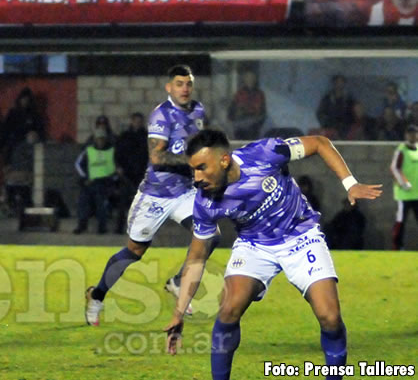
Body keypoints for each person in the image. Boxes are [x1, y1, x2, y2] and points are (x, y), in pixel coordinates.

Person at [163, 130, 382, 380]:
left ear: (224, 160)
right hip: (254, 245)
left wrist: (350, 184)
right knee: (228, 310)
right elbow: (196, 257)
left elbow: (320, 143)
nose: (197, 178)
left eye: (201, 168)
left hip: (301, 236)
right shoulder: (205, 202)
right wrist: (178, 314)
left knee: (330, 318)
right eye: (193, 170)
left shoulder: (264, 154)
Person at [85, 65, 214, 326]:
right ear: (169, 87)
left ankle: (178, 282)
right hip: (155, 194)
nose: (185, 88)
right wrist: (192, 160)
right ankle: (97, 295)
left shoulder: (198, 111)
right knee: (134, 251)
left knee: (208, 234)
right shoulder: (161, 115)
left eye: (188, 83)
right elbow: (157, 157)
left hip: (185, 192)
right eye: (179, 83)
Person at [74, 127, 116, 234]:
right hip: (90, 182)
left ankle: (102, 227)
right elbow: (78, 164)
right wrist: (85, 178)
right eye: (98, 139)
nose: (100, 141)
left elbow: (117, 167)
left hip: (105, 182)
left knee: (101, 202)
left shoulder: (112, 151)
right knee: (83, 201)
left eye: (102, 139)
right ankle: (82, 225)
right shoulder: (89, 151)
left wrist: (113, 179)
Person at [114, 112, 148, 234]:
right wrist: (118, 167)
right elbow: (117, 153)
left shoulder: (146, 137)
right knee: (122, 203)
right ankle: (119, 227)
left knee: (141, 205)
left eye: (139, 121)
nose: (137, 123)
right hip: (126, 175)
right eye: (135, 121)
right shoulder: (125, 136)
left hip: (141, 175)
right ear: (131, 121)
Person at [390, 124, 418, 250]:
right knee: (401, 221)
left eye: (415, 133)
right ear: (406, 135)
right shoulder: (401, 150)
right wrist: (403, 182)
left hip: (417, 193)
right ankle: (397, 247)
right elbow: (395, 168)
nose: (413, 135)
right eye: (410, 133)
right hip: (404, 194)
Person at [228, 70, 267, 140]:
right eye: (248, 77)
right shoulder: (239, 94)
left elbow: (262, 114)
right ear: (244, 79)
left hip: (254, 129)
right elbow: (231, 113)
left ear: (255, 79)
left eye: (252, 78)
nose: (250, 80)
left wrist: (254, 122)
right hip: (240, 129)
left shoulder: (259, 94)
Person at [316, 75, 355, 139]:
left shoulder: (348, 99)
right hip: (330, 129)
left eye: (341, 82)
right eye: (337, 82)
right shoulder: (327, 99)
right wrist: (326, 123)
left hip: (345, 130)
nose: (339, 84)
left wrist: (347, 124)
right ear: (334, 83)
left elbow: (352, 114)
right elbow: (320, 113)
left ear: (344, 84)